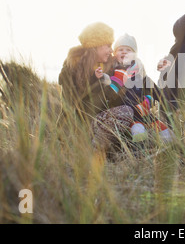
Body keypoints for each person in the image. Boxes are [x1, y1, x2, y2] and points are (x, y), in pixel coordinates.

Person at [58, 22, 138, 154]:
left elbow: (113, 97)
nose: (111, 50)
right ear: (95, 46)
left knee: (129, 112)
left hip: (99, 123)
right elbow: (68, 106)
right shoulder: (72, 67)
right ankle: (92, 152)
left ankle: (108, 150)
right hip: (81, 127)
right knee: (126, 111)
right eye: (108, 46)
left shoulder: (111, 66)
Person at [99, 33, 174, 143]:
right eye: (120, 49)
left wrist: (156, 100)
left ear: (134, 54)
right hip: (129, 116)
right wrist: (104, 79)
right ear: (115, 54)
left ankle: (172, 148)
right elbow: (109, 90)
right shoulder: (114, 73)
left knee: (165, 132)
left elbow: (156, 91)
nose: (124, 52)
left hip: (145, 113)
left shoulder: (140, 74)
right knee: (138, 132)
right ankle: (139, 153)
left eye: (128, 50)